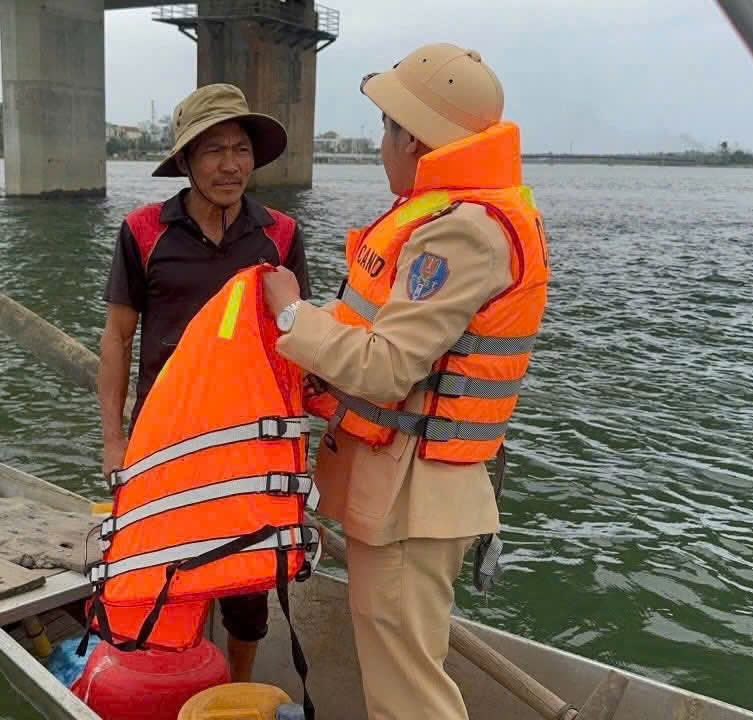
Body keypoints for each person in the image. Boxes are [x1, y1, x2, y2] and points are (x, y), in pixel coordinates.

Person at [262, 44, 550, 719]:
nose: (380, 144)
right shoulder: (464, 214)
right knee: (403, 675)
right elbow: (376, 330)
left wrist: (288, 312)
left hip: (412, 499)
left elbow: (387, 367)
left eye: (387, 128)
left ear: (412, 138)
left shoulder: (462, 233)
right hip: (405, 487)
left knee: (407, 697)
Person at [98, 83, 312, 681]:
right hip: (161, 445)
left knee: (248, 589)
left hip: (247, 445)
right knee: (163, 582)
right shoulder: (143, 232)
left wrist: (297, 457)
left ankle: (234, 689)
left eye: (240, 148)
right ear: (186, 162)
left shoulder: (282, 235)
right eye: (212, 150)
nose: (230, 164)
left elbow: (300, 343)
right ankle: (168, 689)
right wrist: (115, 442)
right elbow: (116, 339)